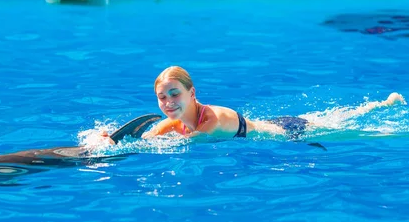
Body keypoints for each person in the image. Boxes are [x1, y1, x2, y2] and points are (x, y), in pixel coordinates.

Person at [102, 65, 406, 143]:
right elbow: (144, 139)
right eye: (162, 97)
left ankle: (382, 106)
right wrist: (109, 140)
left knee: (356, 131)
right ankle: (383, 104)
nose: (168, 102)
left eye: (175, 94)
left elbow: (192, 143)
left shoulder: (213, 119)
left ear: (192, 93)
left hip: (291, 132)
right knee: (343, 121)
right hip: (276, 125)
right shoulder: (176, 123)